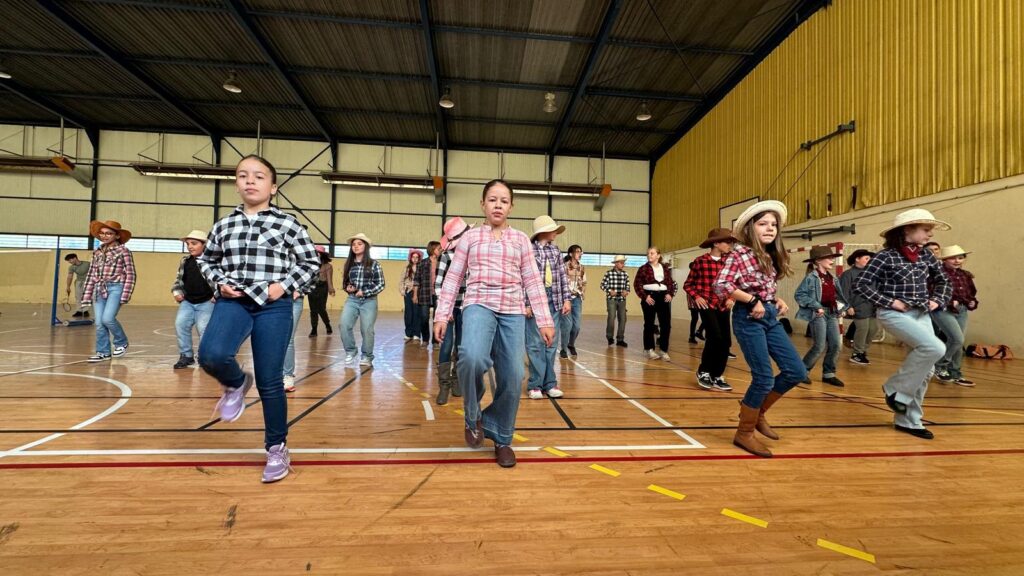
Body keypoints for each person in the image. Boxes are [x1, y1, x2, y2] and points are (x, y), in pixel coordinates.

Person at [197, 155, 319, 483]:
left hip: (272, 304)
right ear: (236, 184)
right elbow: (206, 261)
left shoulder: (288, 224)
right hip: (233, 301)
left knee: (270, 380)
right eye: (243, 175)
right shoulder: (224, 225)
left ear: (273, 187)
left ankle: (276, 447)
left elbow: (310, 263)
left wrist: (284, 285)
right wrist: (219, 283)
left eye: (259, 176)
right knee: (210, 355)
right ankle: (236, 382)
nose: (250, 181)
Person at [433, 179, 555, 468]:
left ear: (511, 207)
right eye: (492, 199)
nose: (498, 205)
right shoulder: (470, 238)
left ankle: (501, 437)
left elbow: (533, 281)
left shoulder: (521, 240)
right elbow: (453, 277)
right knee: (471, 358)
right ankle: (473, 415)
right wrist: (442, 314)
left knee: (513, 375)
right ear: (482, 204)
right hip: (478, 305)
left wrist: (544, 319)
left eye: (504, 200)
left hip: (512, 310)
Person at [715, 200, 806, 458]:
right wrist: (752, 300)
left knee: (796, 371)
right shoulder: (740, 254)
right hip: (748, 318)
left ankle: (757, 413)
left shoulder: (768, 255)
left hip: (769, 315)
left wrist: (775, 299)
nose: (770, 228)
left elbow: (763, 288)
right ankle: (744, 433)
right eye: (763, 224)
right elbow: (722, 285)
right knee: (764, 377)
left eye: (773, 224)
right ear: (750, 228)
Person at [854, 208, 952, 440]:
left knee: (926, 370)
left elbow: (944, 281)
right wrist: (890, 302)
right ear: (908, 229)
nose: (930, 234)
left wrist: (937, 300)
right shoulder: (885, 256)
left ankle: (908, 421)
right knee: (935, 347)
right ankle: (895, 388)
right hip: (893, 313)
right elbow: (861, 284)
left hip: (922, 313)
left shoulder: (927, 256)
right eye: (926, 229)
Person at [684, 228, 738, 392]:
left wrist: (732, 298)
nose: (730, 245)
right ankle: (704, 371)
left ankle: (717, 375)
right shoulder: (700, 261)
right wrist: (697, 297)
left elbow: (735, 284)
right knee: (714, 336)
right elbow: (688, 284)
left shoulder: (729, 262)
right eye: (727, 242)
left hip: (723, 305)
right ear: (716, 243)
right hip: (707, 304)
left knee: (725, 341)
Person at [526, 215, 571, 399]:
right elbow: (524, 277)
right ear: (543, 232)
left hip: (554, 299)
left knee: (551, 343)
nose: (556, 233)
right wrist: (527, 303)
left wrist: (566, 299)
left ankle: (550, 383)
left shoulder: (556, 251)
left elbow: (562, 276)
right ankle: (535, 385)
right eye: (553, 229)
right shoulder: (529, 250)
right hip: (535, 301)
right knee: (535, 344)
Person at [81, 220, 136, 362]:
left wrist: (125, 295)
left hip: (116, 288)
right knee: (99, 323)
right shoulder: (97, 252)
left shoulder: (123, 251)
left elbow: (130, 274)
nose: (104, 236)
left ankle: (121, 342)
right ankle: (103, 352)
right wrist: (86, 296)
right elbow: (91, 274)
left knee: (108, 319)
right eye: (102, 233)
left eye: (109, 233)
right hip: (99, 289)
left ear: (117, 236)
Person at [794, 246, 847, 387]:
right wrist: (816, 306)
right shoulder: (811, 278)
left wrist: (841, 308)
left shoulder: (833, 278)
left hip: (832, 313)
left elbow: (836, 297)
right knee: (819, 346)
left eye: (832, 258)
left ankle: (829, 374)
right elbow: (800, 295)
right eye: (829, 258)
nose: (832, 260)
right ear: (818, 261)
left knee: (836, 344)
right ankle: (801, 372)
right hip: (818, 314)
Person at [434, 217, 472, 406]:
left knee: (461, 346)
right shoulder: (446, 256)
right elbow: (438, 285)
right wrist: (445, 309)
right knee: (446, 345)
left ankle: (457, 379)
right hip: (448, 309)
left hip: (466, 308)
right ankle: (444, 385)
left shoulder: (472, 256)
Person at [932, 244, 978, 386]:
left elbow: (971, 292)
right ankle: (940, 366)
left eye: (960, 258)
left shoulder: (965, 275)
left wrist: (971, 301)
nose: (957, 261)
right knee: (957, 339)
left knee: (959, 342)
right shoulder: (937, 273)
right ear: (944, 259)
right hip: (943, 309)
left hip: (961, 310)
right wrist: (951, 301)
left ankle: (955, 372)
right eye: (952, 258)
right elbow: (932, 292)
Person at [171, 229, 215, 369]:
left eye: (194, 243)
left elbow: (219, 280)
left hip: (207, 301)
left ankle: (204, 356)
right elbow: (178, 280)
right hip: (188, 301)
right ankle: (186, 356)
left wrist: (217, 294)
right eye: (188, 244)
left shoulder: (212, 261)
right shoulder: (185, 261)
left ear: (204, 245)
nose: (190, 246)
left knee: (203, 329)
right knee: (180, 324)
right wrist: (177, 292)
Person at [340, 233, 385, 367]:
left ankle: (367, 356)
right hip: (352, 300)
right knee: (343, 325)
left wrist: (364, 292)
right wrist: (348, 288)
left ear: (366, 247)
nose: (356, 246)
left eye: (359, 244)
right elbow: (346, 283)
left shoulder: (374, 264)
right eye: (354, 244)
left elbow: (380, 284)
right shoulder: (349, 264)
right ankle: (351, 351)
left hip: (369, 301)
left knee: (367, 329)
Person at [635, 246, 676, 361]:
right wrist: (645, 296)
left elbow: (670, 283)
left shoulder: (665, 268)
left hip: (663, 297)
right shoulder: (643, 268)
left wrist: (670, 294)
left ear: (658, 255)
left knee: (666, 324)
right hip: (649, 296)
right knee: (649, 324)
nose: (649, 255)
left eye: (652, 253)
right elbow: (637, 284)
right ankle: (649, 349)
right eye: (648, 253)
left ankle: (664, 350)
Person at [838, 249, 879, 364]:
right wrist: (848, 306)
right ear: (857, 259)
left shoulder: (872, 274)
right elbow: (842, 292)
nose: (869, 261)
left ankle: (862, 350)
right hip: (858, 307)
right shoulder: (848, 274)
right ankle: (857, 353)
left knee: (873, 329)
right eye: (866, 258)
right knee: (863, 329)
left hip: (872, 307)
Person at [414, 241, 441, 348]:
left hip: (438, 294)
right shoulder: (422, 263)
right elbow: (417, 280)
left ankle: (436, 341)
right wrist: (415, 295)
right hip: (424, 294)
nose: (440, 250)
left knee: (437, 318)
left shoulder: (442, 262)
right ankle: (425, 339)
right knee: (424, 318)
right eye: (438, 249)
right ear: (432, 250)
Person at [561, 245, 586, 359]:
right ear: (571, 254)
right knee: (567, 325)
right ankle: (563, 349)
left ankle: (571, 344)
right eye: (577, 251)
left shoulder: (582, 268)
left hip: (577, 299)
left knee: (576, 326)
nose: (580, 254)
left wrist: (582, 293)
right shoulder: (564, 266)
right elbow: (560, 282)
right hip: (566, 299)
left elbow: (584, 282)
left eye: (581, 252)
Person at [600, 255, 631, 347]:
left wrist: (626, 291)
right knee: (611, 317)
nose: (623, 265)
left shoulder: (625, 274)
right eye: (621, 263)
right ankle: (610, 337)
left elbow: (628, 287)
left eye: (623, 263)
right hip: (611, 299)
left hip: (622, 300)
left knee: (623, 319)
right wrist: (610, 291)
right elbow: (602, 285)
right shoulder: (608, 273)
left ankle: (620, 339)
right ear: (616, 263)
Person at [307, 247, 334, 337]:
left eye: (318, 253)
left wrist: (331, 289)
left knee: (321, 308)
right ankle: (314, 329)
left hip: (322, 287)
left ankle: (327, 324)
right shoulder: (310, 264)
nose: (316, 254)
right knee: (313, 310)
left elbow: (329, 279)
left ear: (322, 254)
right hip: (312, 287)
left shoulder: (328, 266)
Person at [401, 249, 422, 341]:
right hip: (408, 292)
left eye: (417, 257)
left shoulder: (421, 268)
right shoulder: (407, 268)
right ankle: (408, 333)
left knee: (417, 313)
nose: (415, 259)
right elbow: (401, 280)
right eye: (413, 257)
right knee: (408, 313)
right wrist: (402, 291)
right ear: (410, 258)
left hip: (418, 292)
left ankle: (416, 333)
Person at [64, 253, 90, 318]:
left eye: (70, 260)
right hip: (78, 282)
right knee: (78, 297)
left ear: (75, 258)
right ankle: (79, 311)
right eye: (68, 261)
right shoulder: (71, 267)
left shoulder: (87, 264)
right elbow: (70, 277)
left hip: (88, 282)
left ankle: (85, 311)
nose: (69, 262)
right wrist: (68, 286)